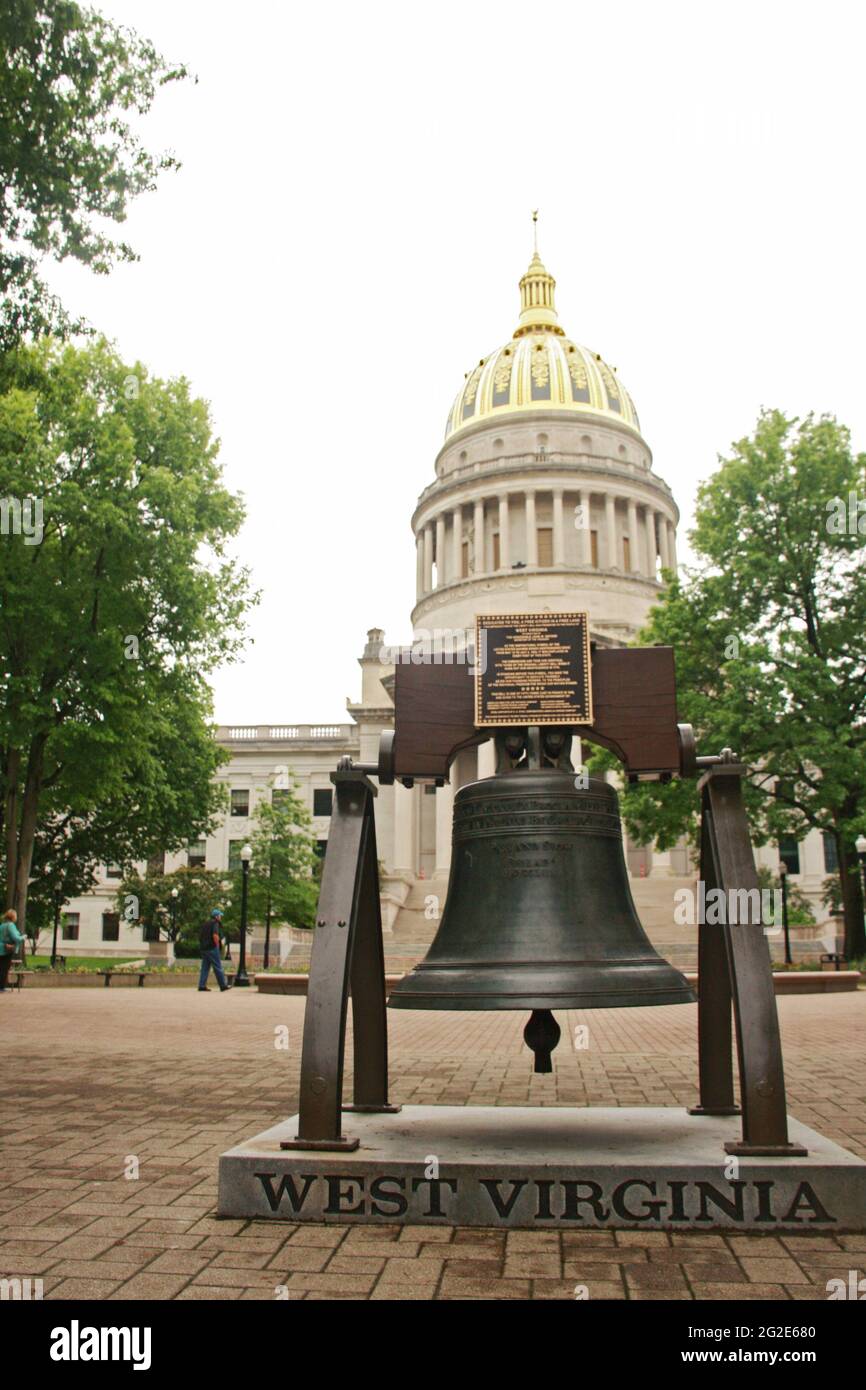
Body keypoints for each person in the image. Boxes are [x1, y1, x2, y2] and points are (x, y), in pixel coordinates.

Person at [199, 908, 230, 992]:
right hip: (212, 948)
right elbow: (215, 935)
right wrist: (217, 945)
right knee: (218, 966)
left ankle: (201, 985)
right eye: (220, 916)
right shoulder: (215, 923)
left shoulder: (205, 924)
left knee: (205, 967)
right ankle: (223, 985)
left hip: (204, 948)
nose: (221, 918)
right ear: (216, 916)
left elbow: (200, 936)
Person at [0, 909, 24, 993]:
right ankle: (1, 987)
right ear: (13, 917)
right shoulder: (11, 925)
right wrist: (23, 937)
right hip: (6, 950)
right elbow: (16, 938)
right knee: (4, 968)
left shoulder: (2, 925)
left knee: (1, 968)